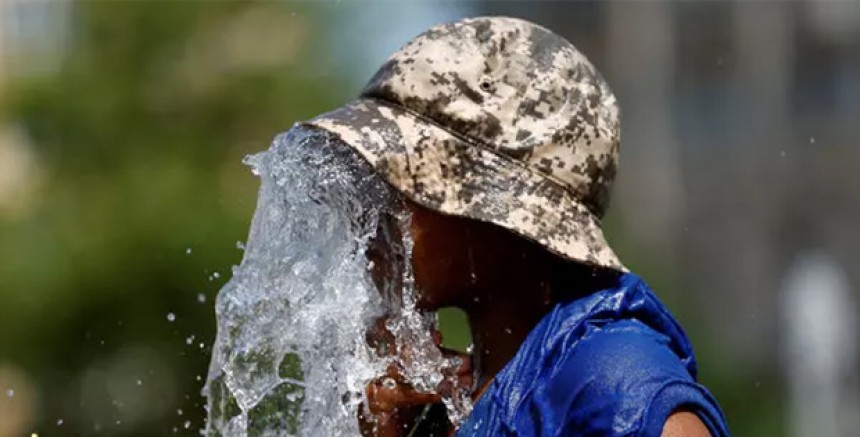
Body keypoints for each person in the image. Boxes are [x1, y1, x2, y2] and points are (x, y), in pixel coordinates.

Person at [302, 16, 729, 437]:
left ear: (496, 211)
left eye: (400, 185)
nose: (371, 217)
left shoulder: (613, 389)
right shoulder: (466, 398)